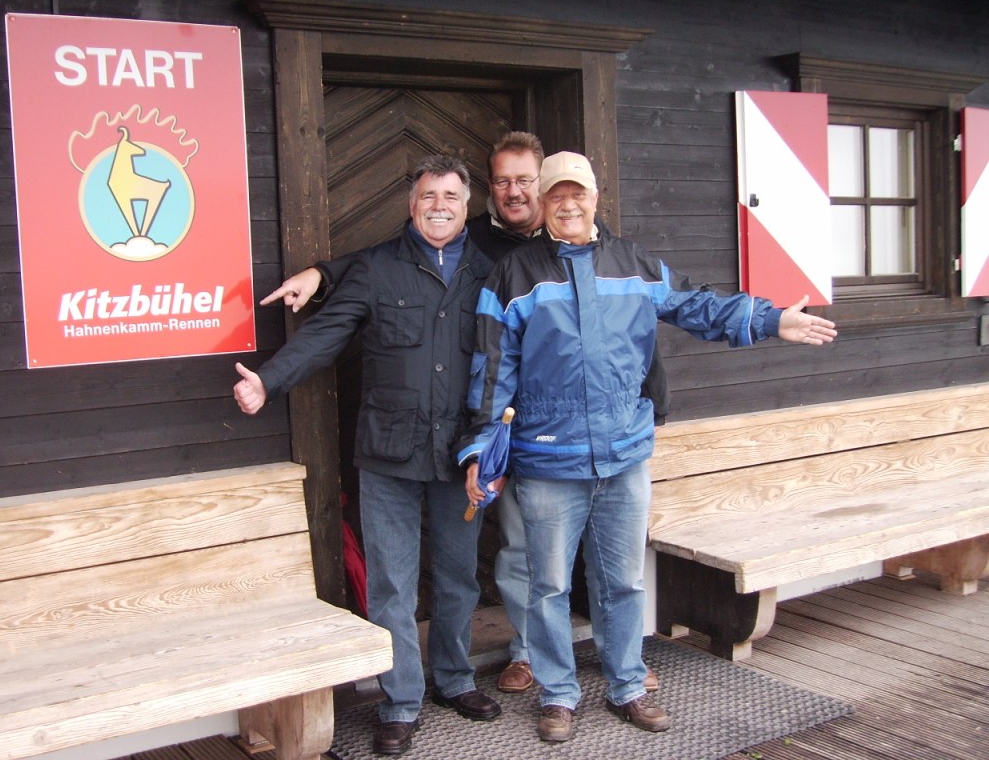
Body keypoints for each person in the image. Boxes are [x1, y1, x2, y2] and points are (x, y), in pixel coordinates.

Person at [261, 132, 669, 696]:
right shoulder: (488, 251)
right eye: (502, 181)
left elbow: (633, 314)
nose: (514, 191)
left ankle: (620, 661)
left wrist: (652, 398)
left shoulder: (584, 240)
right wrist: (323, 274)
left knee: (601, 558)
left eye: (525, 180)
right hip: (498, 437)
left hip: (580, 433)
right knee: (524, 554)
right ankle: (519, 659)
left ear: (551, 189)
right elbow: (385, 259)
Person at [458, 151, 837, 743]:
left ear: (595, 198)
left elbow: (695, 305)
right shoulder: (515, 274)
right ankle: (558, 694)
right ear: (542, 203)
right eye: (556, 195)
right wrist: (482, 449)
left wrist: (769, 319)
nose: (568, 204)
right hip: (549, 459)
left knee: (623, 581)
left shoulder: (633, 263)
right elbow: (490, 369)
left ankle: (627, 684)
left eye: (577, 193)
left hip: (624, 454)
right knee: (548, 587)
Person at [234, 154, 502, 757]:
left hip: (461, 455)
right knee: (391, 586)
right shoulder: (376, 269)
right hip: (387, 454)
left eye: (451, 196)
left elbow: (504, 364)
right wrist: (269, 381)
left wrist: (498, 448)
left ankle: (455, 680)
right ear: (412, 205)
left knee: (459, 576)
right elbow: (326, 334)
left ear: (468, 207)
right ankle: (400, 701)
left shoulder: (490, 273)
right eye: (428, 195)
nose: (439, 206)